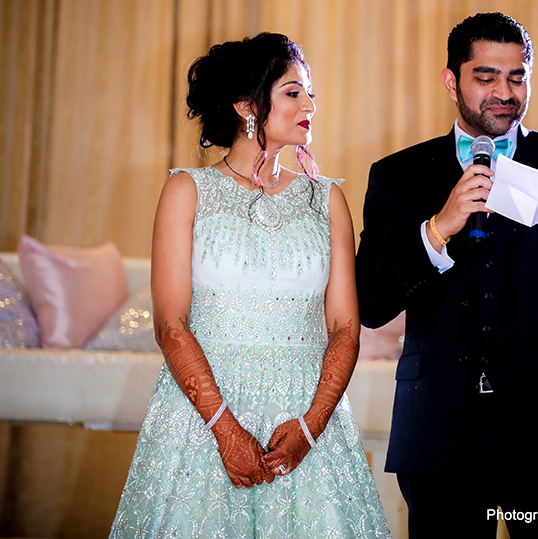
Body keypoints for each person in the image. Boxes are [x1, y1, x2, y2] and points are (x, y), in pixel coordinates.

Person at [356, 12, 538, 538]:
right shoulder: (399, 175)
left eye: (517, 77)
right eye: (486, 77)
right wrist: (436, 230)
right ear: (452, 81)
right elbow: (370, 302)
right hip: (440, 432)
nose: (504, 93)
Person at [110, 33, 389, 538]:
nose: (311, 105)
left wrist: (311, 425)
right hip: (203, 421)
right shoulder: (186, 190)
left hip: (305, 421)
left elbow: (346, 327)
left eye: (310, 93)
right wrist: (224, 428)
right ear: (246, 107)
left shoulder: (326, 201)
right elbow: (171, 325)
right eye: (293, 92)